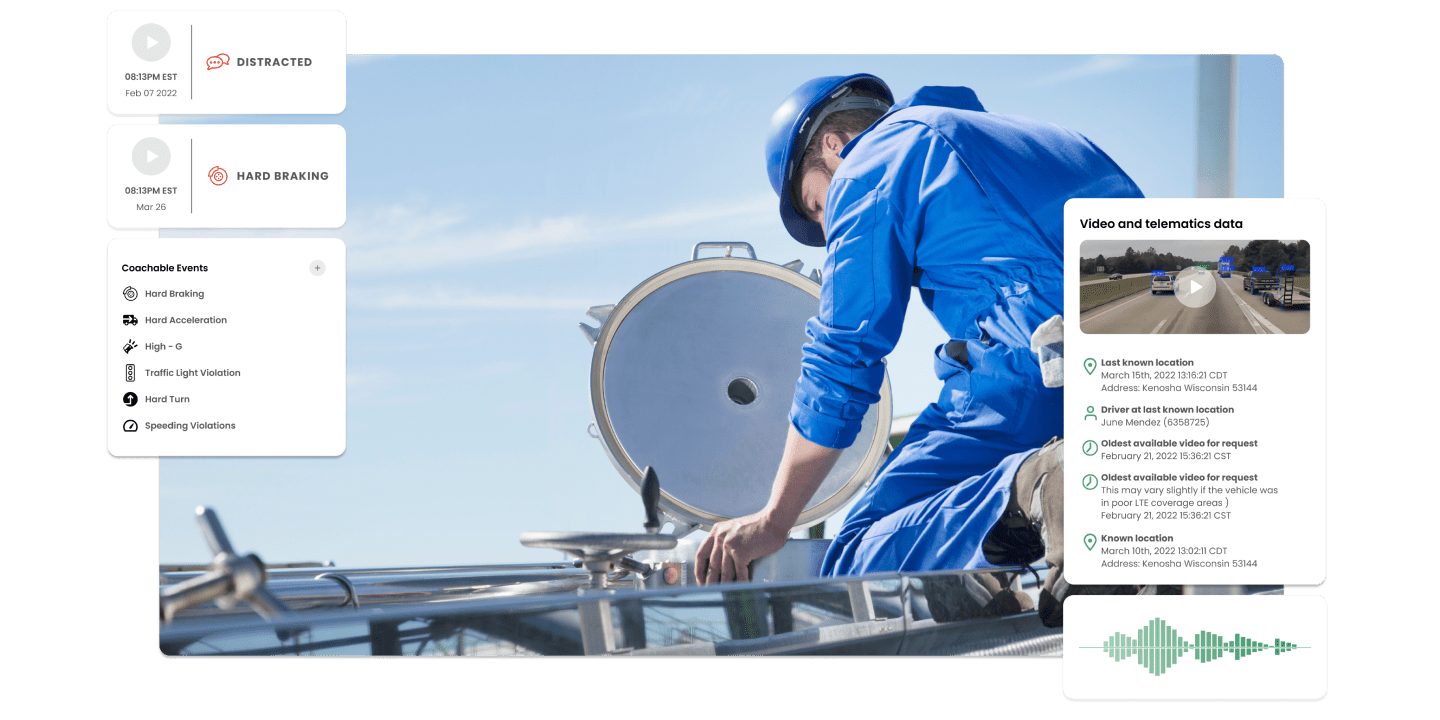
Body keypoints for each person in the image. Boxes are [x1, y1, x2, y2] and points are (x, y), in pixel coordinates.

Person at [693, 74, 1144, 625]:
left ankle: (1053, 485)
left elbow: (843, 358)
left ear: (833, 145)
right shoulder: (1039, 136)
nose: (828, 222)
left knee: (858, 554)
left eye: (817, 205)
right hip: (1149, 366)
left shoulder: (872, 162)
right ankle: (982, 582)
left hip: (1037, 364)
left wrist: (775, 519)